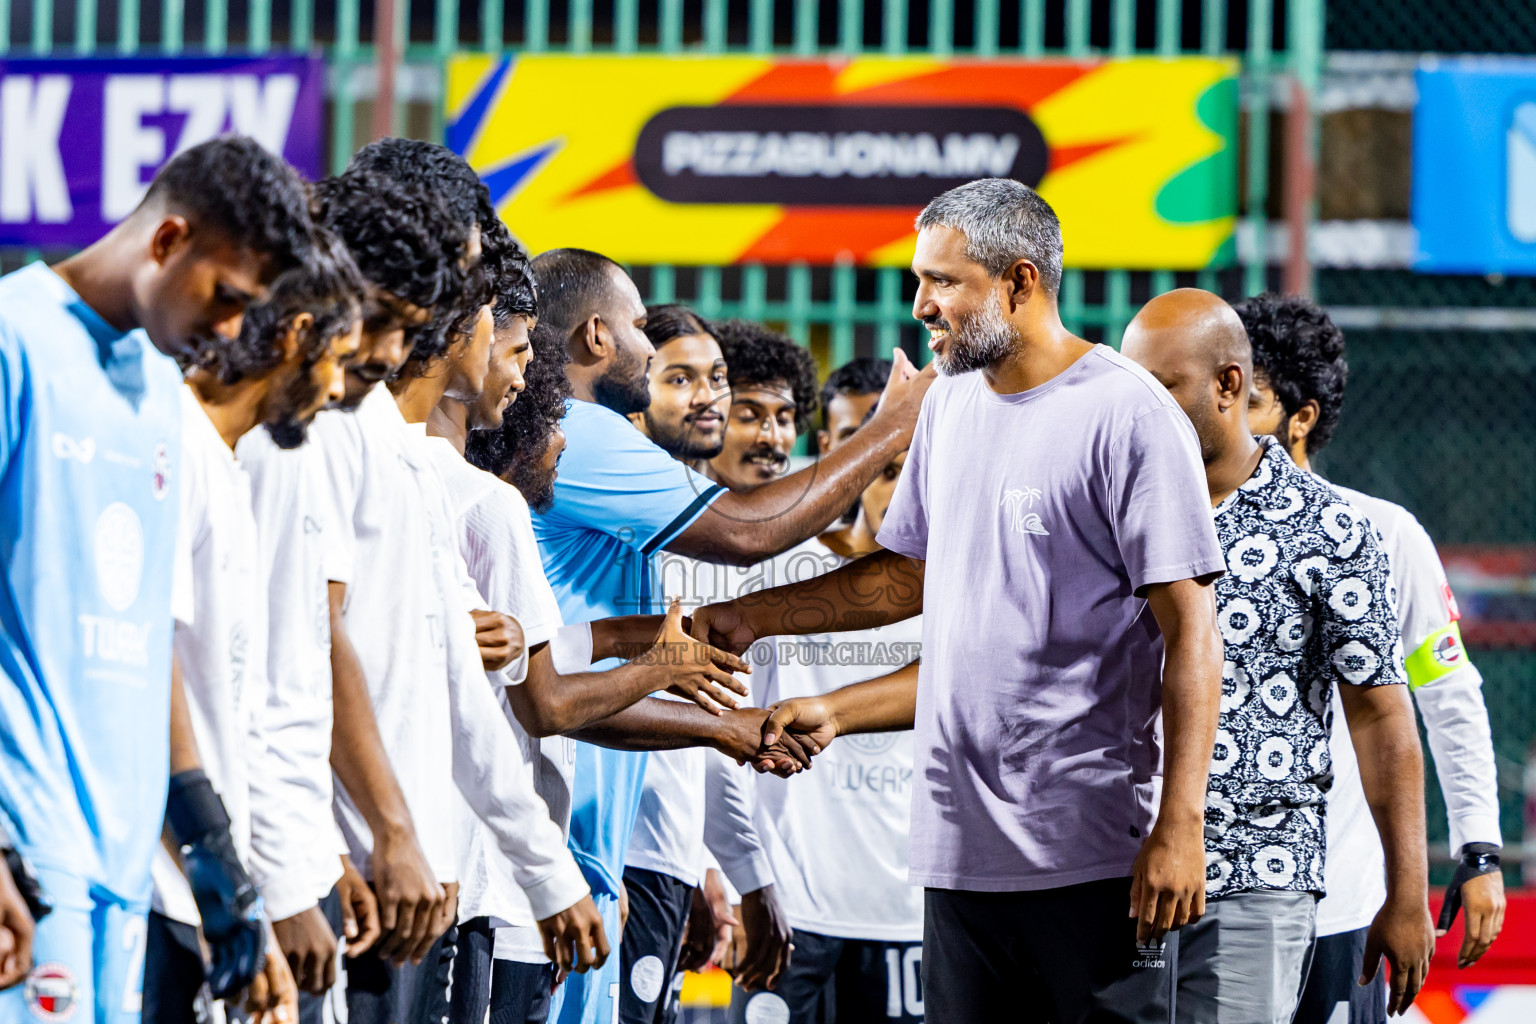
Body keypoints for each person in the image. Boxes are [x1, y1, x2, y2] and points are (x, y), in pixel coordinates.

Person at [693, 178, 1226, 1023]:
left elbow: (1192, 633)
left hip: (1089, 851)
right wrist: (757, 618)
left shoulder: (1128, 413)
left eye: (942, 281)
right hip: (958, 851)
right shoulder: (948, 404)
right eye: (919, 280)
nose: (920, 306)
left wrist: (1181, 824)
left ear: (1019, 282)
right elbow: (908, 577)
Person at [527, 249, 932, 1024]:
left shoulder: (599, 452)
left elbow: (578, 661)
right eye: (643, 332)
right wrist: (891, 427)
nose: (653, 355)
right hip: (569, 843)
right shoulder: (583, 434)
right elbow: (750, 532)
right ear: (597, 337)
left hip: (602, 847)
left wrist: (713, 679)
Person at [0, 135, 314, 1024]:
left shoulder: (156, 390)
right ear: (170, 239)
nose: (231, 332)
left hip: (124, 862)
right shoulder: (13, 336)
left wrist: (212, 854)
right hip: (27, 851)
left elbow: (146, 636)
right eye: (228, 298)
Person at [1119, 289, 1434, 1023]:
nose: (1140, 412)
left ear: (1228, 385)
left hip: (1254, 873)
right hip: (1111, 876)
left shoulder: (1330, 528)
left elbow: (1382, 718)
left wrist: (1407, 893)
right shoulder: (1108, 508)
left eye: (1163, 388)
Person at [1236, 292, 1504, 1024]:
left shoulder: (1383, 535)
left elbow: (1448, 695)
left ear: (1301, 419)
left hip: (1341, 904)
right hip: (1209, 900)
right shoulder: (1177, 527)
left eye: (1250, 400)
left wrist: (1478, 848)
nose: (1222, 414)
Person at [236, 166, 463, 1024]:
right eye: (383, 318)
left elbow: (295, 668)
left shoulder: (334, 425)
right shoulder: (277, 437)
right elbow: (243, 684)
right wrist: (298, 866)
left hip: (305, 863)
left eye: (412, 327)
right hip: (263, 873)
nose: (390, 352)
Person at [146, 232, 366, 1024]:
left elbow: (238, 712)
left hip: (207, 894)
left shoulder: (231, 466)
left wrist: (248, 898)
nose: (337, 388)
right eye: (338, 358)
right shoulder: (173, 443)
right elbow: (154, 674)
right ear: (297, 335)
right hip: (156, 887)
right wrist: (230, 884)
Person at [724, 355, 924, 1024]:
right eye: (881, 462)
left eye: (908, 465)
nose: (893, 484)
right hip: (792, 905)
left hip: (906, 909)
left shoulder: (957, 578)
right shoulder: (777, 569)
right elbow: (725, 723)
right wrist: (733, 872)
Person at [622, 313, 804, 1024]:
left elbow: (705, 731)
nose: (708, 398)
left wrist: (704, 862)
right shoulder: (641, 521)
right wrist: (744, 875)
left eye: (717, 379)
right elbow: (706, 729)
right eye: (680, 378)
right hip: (625, 857)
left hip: (666, 856)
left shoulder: (718, 545)